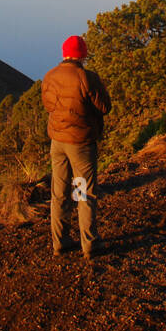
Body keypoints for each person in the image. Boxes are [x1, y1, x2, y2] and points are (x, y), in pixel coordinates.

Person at [40, 35, 111, 259]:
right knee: (82, 192)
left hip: (58, 144)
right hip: (80, 145)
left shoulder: (50, 76)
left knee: (59, 192)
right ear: (83, 54)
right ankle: (88, 243)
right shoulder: (86, 78)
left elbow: (48, 105)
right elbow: (104, 107)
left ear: (64, 53)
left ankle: (59, 242)